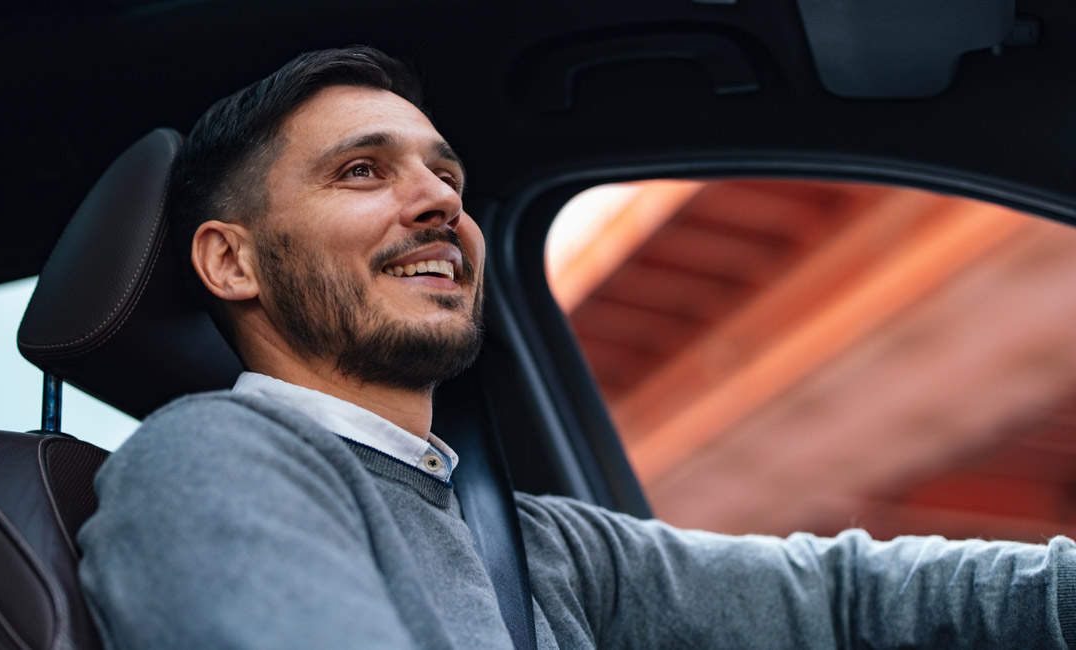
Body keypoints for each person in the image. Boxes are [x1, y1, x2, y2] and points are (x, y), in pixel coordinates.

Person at [77, 46, 1076, 650]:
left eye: (445, 175)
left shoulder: (537, 544)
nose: (438, 201)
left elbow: (845, 599)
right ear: (232, 261)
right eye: (362, 171)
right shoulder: (213, 457)